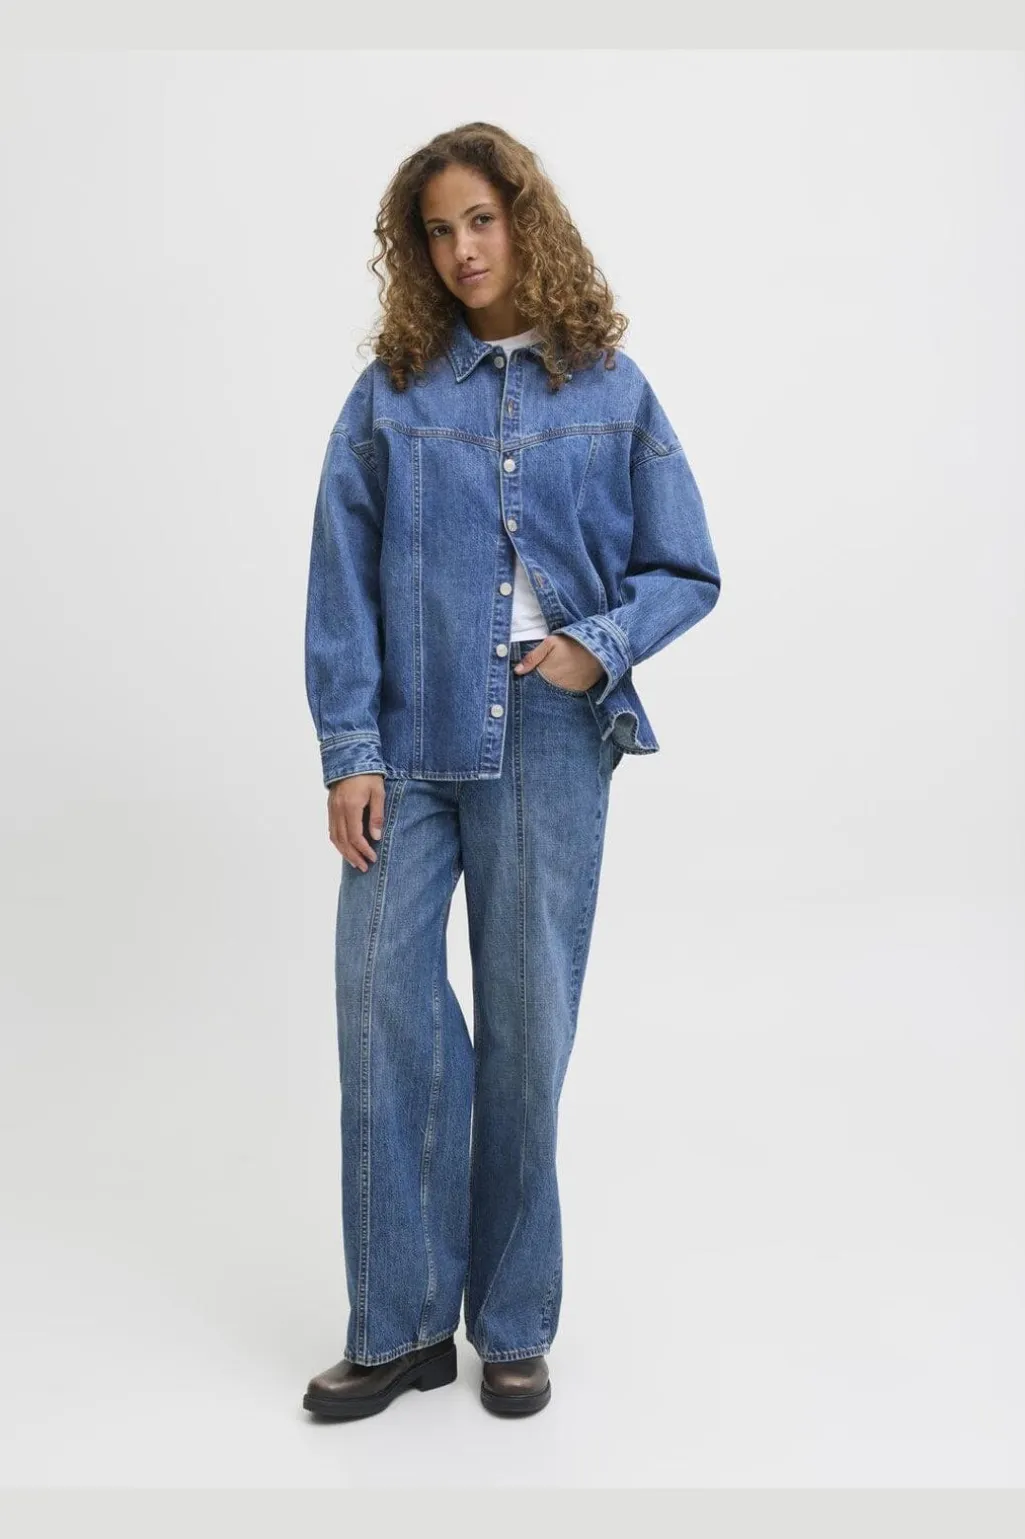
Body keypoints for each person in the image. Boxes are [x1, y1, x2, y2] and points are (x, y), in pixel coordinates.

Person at [301, 122, 721, 1421]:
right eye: (437, 230)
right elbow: (339, 581)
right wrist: (350, 750)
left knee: (528, 1031)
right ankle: (402, 1324)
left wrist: (599, 647)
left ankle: (516, 1319)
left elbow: (686, 567)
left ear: (526, 221)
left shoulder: (613, 388)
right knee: (381, 1003)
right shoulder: (390, 393)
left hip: (547, 730)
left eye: (480, 219)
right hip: (409, 736)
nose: (462, 249)